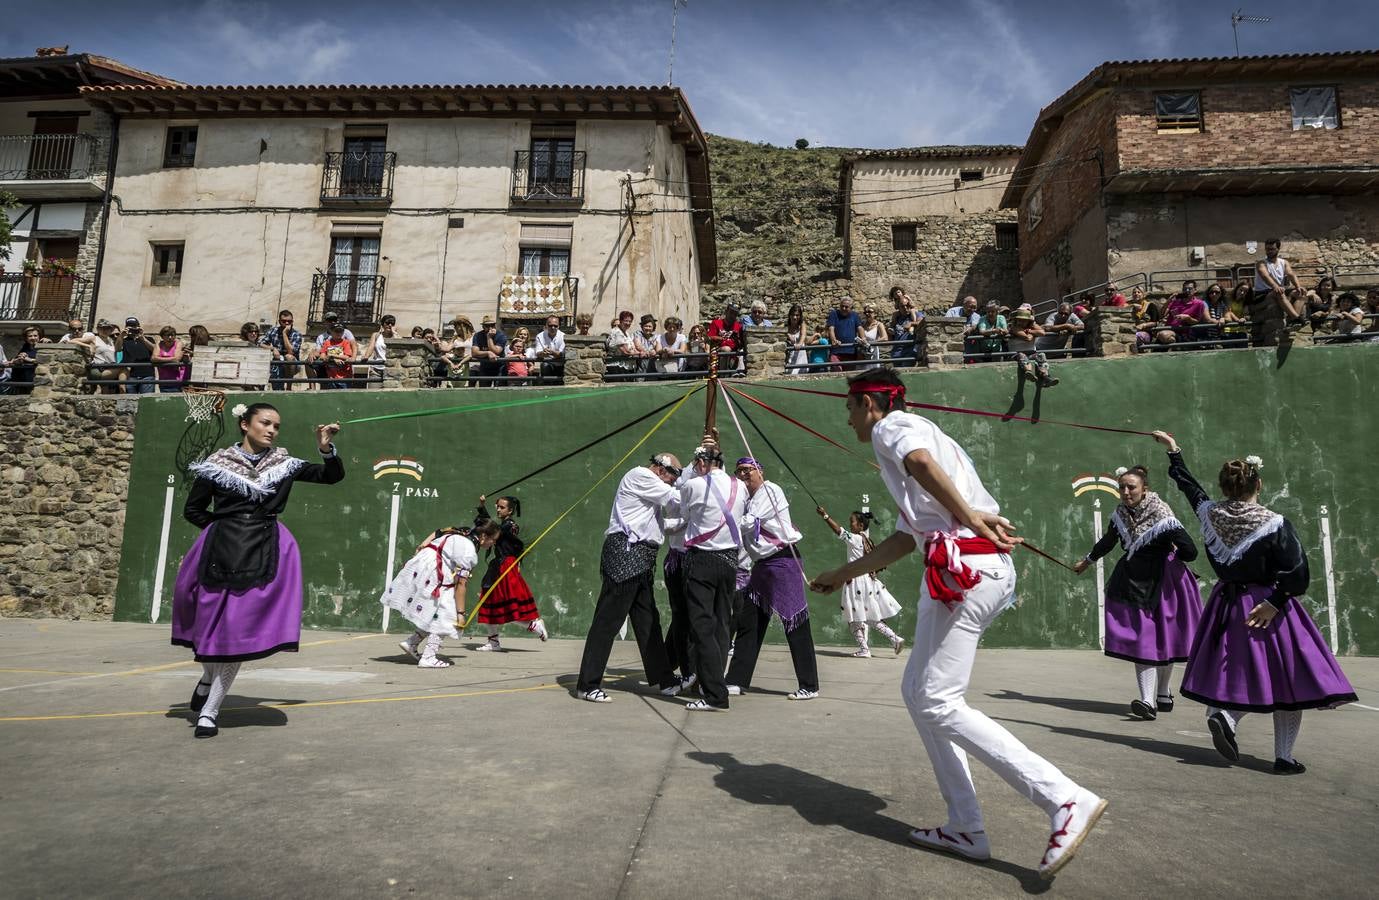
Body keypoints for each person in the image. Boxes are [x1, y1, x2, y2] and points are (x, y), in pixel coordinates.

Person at [809, 368, 1106, 877]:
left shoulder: (893, 429)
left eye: (850, 407)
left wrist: (968, 518)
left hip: (964, 569)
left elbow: (920, 464)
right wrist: (842, 573)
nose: (849, 418)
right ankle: (965, 825)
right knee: (918, 693)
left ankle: (1064, 798)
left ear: (871, 404)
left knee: (936, 700)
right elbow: (905, 538)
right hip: (969, 568)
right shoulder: (920, 452)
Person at [1151, 431, 1356, 773]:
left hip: (1225, 603)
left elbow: (1189, 488)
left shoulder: (1210, 513)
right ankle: (1279, 754)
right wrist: (1276, 602)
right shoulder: (1274, 523)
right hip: (1267, 605)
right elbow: (1297, 573)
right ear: (1257, 485)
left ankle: (1227, 716)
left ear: (1225, 486)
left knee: (1241, 670)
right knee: (1290, 678)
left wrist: (1174, 452)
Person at [172, 404, 344, 738]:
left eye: (276, 426)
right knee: (210, 627)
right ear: (244, 424)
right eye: (265, 423)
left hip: (265, 548)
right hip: (220, 550)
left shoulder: (283, 464)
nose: (272, 431)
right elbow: (192, 510)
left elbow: (331, 476)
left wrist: (325, 447)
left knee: (236, 630)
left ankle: (210, 711)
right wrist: (221, 530)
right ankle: (208, 678)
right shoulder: (216, 466)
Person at [1073, 465, 1201, 719]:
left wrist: (1172, 558)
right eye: (1122, 487)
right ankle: (1147, 701)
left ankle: (1163, 693)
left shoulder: (1161, 513)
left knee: (1165, 640)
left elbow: (1191, 551)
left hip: (1162, 583)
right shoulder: (1120, 513)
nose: (1125, 491)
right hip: (1132, 581)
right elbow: (1109, 541)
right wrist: (1087, 561)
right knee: (1145, 639)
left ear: (1145, 489)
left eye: (1131, 487)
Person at [576, 454, 685, 702]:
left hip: (641, 559)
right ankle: (587, 684)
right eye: (673, 475)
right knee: (608, 622)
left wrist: (687, 520)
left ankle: (664, 679)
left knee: (648, 622)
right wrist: (703, 492)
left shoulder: (649, 490)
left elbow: (659, 524)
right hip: (626, 554)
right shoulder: (642, 476)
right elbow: (674, 499)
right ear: (660, 468)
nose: (673, 481)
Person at [723, 458, 820, 700]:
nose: (744, 475)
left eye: (749, 470)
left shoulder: (769, 490)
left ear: (760, 471)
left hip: (783, 561)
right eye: (740, 472)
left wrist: (719, 522)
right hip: (763, 567)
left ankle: (809, 685)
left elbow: (748, 523)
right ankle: (736, 680)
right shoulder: (746, 499)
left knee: (794, 621)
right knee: (750, 622)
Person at [678, 442, 747, 711]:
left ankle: (715, 693)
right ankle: (716, 685)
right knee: (720, 625)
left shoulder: (693, 486)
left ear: (702, 463)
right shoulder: (739, 486)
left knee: (702, 627)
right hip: (730, 563)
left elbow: (683, 515)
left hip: (702, 561)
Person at [384, 520, 501, 668]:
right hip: (433, 570)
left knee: (434, 611)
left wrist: (422, 545)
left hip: (423, 564)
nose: (493, 543)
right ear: (484, 536)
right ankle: (429, 656)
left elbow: (438, 531)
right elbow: (461, 584)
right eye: (493, 539)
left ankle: (411, 643)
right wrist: (460, 613)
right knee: (448, 615)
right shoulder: (468, 551)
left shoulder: (462, 532)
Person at [817, 507, 903, 658]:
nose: (850, 524)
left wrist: (825, 516)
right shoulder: (866, 539)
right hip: (865, 581)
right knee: (869, 617)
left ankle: (865, 649)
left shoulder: (856, 539)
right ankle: (895, 639)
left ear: (860, 526)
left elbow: (839, 531)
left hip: (856, 582)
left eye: (852, 522)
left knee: (853, 618)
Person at [472, 495, 547, 648]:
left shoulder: (510, 526)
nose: (498, 509)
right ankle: (493, 642)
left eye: (502, 507)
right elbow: (491, 528)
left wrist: (482, 510)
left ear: (510, 510)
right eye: (497, 507)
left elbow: (493, 530)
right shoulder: (502, 526)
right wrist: (481, 506)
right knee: (488, 602)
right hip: (498, 565)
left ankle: (534, 625)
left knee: (507, 607)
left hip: (506, 566)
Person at [1252, 238, 1302, 326]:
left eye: (1272, 249)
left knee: (1302, 293)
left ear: (1278, 249)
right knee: (1279, 292)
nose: (1269, 251)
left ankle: (1292, 319)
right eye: (1267, 249)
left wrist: (1298, 287)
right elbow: (1265, 276)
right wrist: (1275, 286)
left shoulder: (1284, 262)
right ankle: (1295, 318)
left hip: (1277, 290)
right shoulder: (1261, 263)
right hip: (1261, 294)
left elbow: (1291, 274)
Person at [1008, 310, 1057, 387]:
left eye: (1024, 320)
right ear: (1016, 320)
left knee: (1041, 355)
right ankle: (1029, 372)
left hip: (1030, 353)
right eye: (1020, 320)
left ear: (1028, 321)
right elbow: (1027, 338)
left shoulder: (1031, 327)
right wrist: (1033, 334)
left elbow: (1042, 333)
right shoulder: (1014, 328)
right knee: (1021, 355)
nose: (1021, 322)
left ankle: (1046, 377)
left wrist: (1030, 331)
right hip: (1015, 354)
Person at [260, 309, 303, 391]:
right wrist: (273, 348)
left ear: (292, 322)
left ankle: (289, 387)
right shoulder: (273, 331)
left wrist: (284, 334)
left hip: (293, 364)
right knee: (277, 389)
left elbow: (291, 351)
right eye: (284, 321)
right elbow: (261, 344)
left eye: (289, 321)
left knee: (289, 357)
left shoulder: (296, 334)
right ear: (279, 321)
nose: (287, 323)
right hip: (278, 362)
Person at [119, 317, 157, 394]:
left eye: (134, 326)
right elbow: (117, 349)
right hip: (130, 376)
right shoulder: (124, 340)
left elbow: (155, 350)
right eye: (130, 327)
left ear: (139, 327)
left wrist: (143, 339)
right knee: (129, 403)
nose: (133, 329)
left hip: (147, 375)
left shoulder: (148, 339)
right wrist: (121, 336)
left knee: (147, 401)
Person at [471, 316, 508, 386]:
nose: (490, 328)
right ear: (483, 327)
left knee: (499, 391)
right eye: (487, 326)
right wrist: (488, 352)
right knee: (484, 391)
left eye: (492, 325)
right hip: (485, 367)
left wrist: (489, 337)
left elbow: (496, 351)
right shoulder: (478, 335)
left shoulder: (501, 336)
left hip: (499, 367)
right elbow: (474, 353)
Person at [707, 304, 745, 370]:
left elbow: (741, 344)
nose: (732, 315)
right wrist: (721, 338)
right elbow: (709, 337)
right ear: (726, 311)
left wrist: (736, 339)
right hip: (718, 351)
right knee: (726, 349)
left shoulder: (738, 326)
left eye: (735, 314)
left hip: (733, 354)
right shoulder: (716, 323)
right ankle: (723, 374)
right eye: (731, 312)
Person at [529, 316, 566, 382]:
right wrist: (543, 353)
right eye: (550, 325)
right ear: (546, 326)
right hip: (547, 365)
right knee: (545, 365)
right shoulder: (540, 336)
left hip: (560, 365)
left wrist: (551, 352)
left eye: (555, 326)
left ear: (558, 326)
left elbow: (561, 354)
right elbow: (538, 353)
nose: (553, 328)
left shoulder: (563, 336)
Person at [318, 322, 355, 388]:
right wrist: (333, 359)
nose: (339, 333)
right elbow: (322, 356)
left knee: (345, 397)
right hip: (331, 377)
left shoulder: (346, 342)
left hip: (344, 377)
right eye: (336, 331)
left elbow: (347, 357)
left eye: (341, 331)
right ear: (331, 331)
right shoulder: (327, 343)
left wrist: (332, 356)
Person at [826, 296, 862, 362]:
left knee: (850, 372)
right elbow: (831, 328)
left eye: (846, 307)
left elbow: (859, 327)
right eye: (842, 306)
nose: (844, 308)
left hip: (851, 351)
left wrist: (863, 338)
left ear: (851, 307)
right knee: (837, 370)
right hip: (836, 350)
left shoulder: (855, 315)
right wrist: (834, 340)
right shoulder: (834, 314)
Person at [604, 310, 638, 377]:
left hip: (626, 366)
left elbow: (632, 349)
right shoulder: (617, 332)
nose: (628, 323)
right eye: (626, 320)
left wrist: (639, 352)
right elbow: (626, 351)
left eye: (630, 321)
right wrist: (640, 353)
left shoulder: (626, 333)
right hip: (617, 366)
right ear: (621, 321)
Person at [153, 325, 186, 392]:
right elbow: (153, 358)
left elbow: (176, 359)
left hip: (177, 381)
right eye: (167, 335)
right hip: (163, 381)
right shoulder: (159, 344)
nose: (170, 337)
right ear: (162, 337)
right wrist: (172, 359)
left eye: (172, 335)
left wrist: (160, 359)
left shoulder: (178, 343)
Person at [784, 304, 808, 373]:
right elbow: (778, 331)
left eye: (797, 315)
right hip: (790, 356)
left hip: (800, 355)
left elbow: (803, 334)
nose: (795, 317)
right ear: (789, 315)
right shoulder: (785, 325)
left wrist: (799, 344)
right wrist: (788, 335)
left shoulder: (802, 324)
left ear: (800, 316)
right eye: (793, 315)